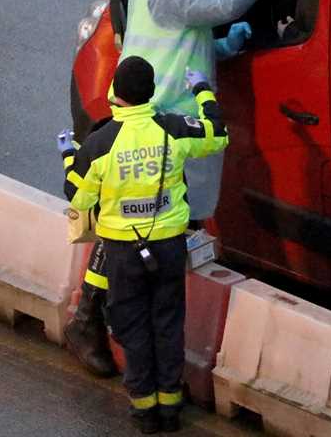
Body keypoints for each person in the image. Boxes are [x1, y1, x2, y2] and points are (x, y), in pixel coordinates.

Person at [61, 0, 288, 377]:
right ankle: (89, 319)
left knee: (140, 226)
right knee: (127, 229)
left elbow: (183, 46)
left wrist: (224, 48)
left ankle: (98, 318)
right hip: (153, 125)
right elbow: (224, 3)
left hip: (160, 123)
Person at [66, 56, 228, 434]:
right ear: (151, 93)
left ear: (115, 94)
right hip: (169, 247)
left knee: (133, 328)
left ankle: (145, 413)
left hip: (123, 254)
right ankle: (171, 407)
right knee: (168, 324)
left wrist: (68, 158)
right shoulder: (173, 129)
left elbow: (77, 196)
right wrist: (202, 90)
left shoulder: (100, 143)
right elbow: (217, 134)